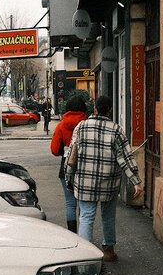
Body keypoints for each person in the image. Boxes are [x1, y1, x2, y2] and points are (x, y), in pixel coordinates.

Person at [67, 94, 143, 262]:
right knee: (108, 216)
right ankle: (108, 250)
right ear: (110, 110)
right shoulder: (116, 130)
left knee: (86, 216)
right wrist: (136, 181)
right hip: (108, 182)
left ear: (94, 108)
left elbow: (71, 155)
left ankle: (85, 256)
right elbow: (125, 157)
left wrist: (68, 179)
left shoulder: (81, 126)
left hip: (85, 181)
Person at [50, 94, 89, 232]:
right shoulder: (87, 125)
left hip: (66, 165)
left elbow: (54, 150)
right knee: (83, 203)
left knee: (70, 203)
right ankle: (84, 233)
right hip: (85, 166)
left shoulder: (61, 126)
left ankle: (72, 232)